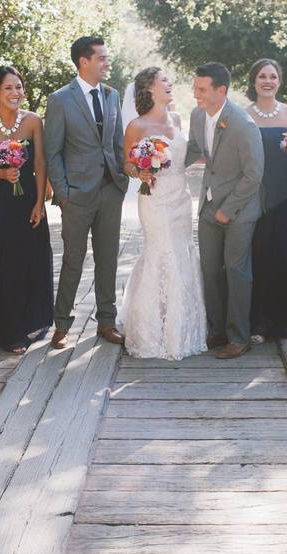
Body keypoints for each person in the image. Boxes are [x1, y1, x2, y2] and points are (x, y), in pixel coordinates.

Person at [44, 36, 129, 349]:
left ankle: (107, 322)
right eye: (102, 58)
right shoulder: (60, 100)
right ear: (84, 61)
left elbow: (117, 142)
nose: (108, 63)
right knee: (73, 261)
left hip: (111, 190)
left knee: (108, 260)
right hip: (76, 196)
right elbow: (53, 152)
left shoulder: (112, 95)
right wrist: (63, 194)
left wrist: (121, 178)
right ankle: (62, 325)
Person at [120, 67, 207, 360]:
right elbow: (126, 165)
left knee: (182, 253)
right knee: (162, 252)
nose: (170, 84)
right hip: (155, 200)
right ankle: (154, 333)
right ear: (148, 89)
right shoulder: (137, 125)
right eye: (164, 81)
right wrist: (141, 171)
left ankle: (183, 327)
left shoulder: (177, 119)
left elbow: (187, 155)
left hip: (181, 200)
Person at [185, 62, 264, 359]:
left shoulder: (243, 124)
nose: (196, 94)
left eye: (202, 89)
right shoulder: (196, 115)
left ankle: (238, 336)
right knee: (209, 269)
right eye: (195, 88)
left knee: (236, 270)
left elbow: (253, 175)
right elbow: (194, 148)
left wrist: (228, 209)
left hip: (239, 210)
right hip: (207, 207)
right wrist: (162, 167)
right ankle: (216, 329)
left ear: (222, 90)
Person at [0, 66, 53, 354]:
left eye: (18, 87)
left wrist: (39, 203)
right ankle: (6, 328)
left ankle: (29, 323)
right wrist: (1, 175)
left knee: (29, 258)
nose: (15, 93)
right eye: (8, 88)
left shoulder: (33, 121)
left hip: (27, 199)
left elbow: (41, 162)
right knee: (2, 261)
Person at [244, 58, 287, 344]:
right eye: (262, 76)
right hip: (256, 194)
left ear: (279, 81)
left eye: (272, 76)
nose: (267, 81)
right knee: (258, 256)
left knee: (286, 255)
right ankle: (258, 323)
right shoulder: (243, 116)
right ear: (254, 81)